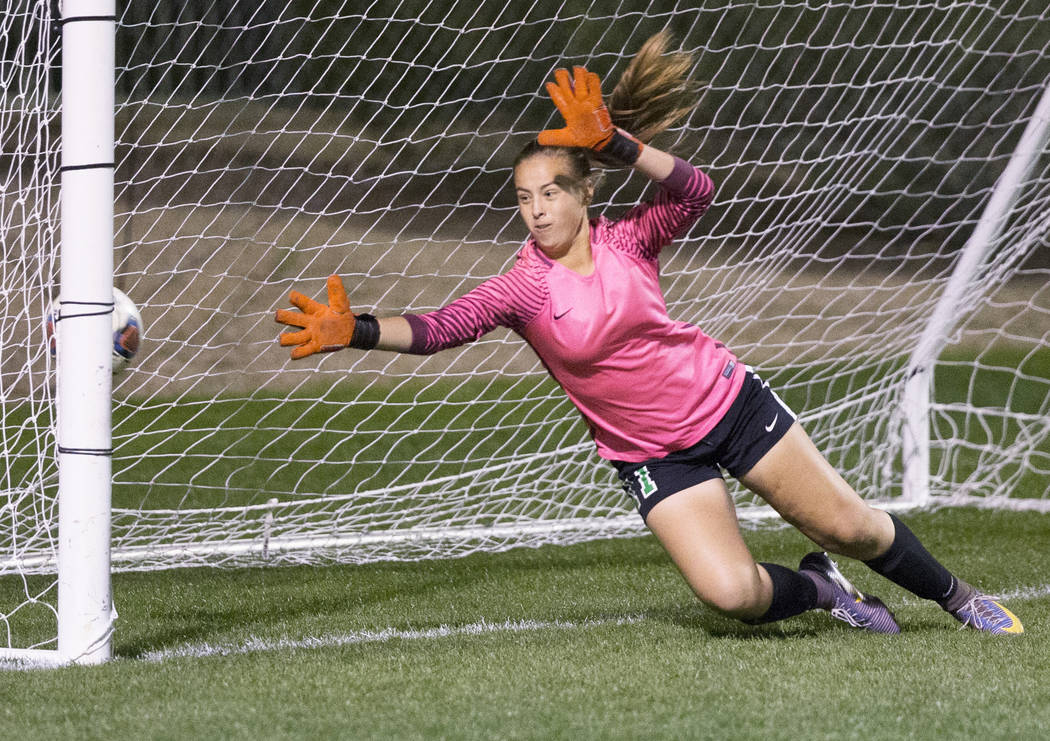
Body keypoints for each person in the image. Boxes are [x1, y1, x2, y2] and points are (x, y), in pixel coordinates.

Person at [275, 33, 1023, 635]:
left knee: (851, 524)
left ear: (584, 190)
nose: (536, 210)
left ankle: (958, 597)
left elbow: (696, 190)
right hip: (652, 454)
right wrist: (360, 328)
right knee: (732, 595)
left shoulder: (631, 238)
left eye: (552, 191)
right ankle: (823, 590)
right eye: (523, 197)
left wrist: (623, 143)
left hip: (728, 405)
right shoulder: (521, 285)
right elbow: (442, 327)